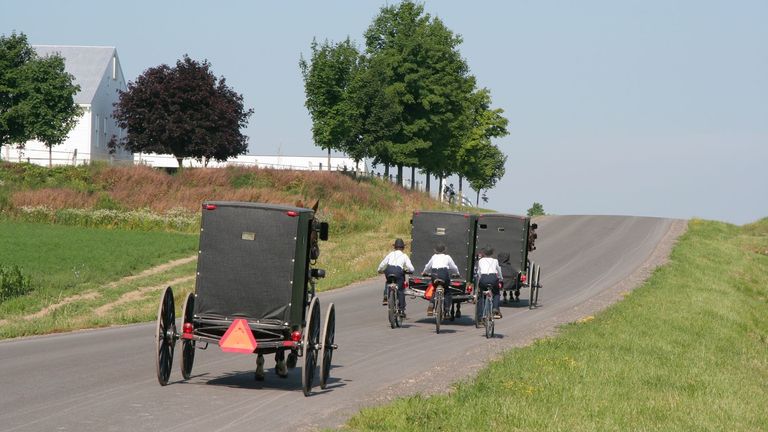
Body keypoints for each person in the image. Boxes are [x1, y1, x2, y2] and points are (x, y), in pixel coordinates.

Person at [377, 238, 414, 317]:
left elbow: (383, 263)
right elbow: (411, 268)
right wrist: (410, 271)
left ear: (395, 247)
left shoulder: (390, 254)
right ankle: (401, 310)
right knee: (400, 290)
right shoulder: (404, 256)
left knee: (388, 282)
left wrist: (379, 270)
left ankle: (386, 296)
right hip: (398, 271)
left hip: (389, 270)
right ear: (403, 248)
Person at [422, 243, 460, 317]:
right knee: (446, 291)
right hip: (444, 274)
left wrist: (424, 272)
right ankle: (447, 310)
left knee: (434, 290)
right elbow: (454, 267)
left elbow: (427, 266)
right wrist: (457, 273)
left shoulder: (433, 257)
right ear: (444, 250)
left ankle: (431, 306)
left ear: (435, 251)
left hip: (434, 274)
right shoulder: (447, 257)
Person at [476, 246, 503, 319]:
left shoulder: (480, 261)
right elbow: (499, 270)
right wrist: (501, 278)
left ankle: (480, 315)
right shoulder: (495, 261)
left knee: (481, 295)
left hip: (484, 279)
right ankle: (495, 308)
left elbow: (479, 272)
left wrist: (480, 278)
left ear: (484, 253)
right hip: (493, 278)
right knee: (496, 293)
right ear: (492, 253)